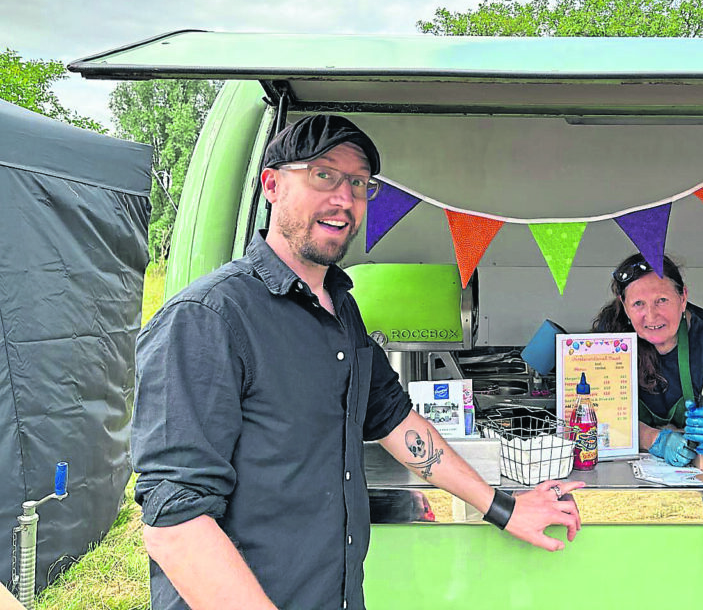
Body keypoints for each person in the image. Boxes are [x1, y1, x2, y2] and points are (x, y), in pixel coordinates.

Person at [131, 114, 584, 610]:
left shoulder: (341, 308)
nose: (344, 199)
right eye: (324, 175)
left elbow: (392, 416)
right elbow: (175, 521)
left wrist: (504, 508)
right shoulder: (207, 318)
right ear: (272, 185)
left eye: (359, 184)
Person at [592, 253, 703, 466]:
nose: (651, 316)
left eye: (661, 300)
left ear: (683, 297)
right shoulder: (609, 339)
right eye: (638, 303)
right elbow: (599, 417)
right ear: (624, 306)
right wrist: (654, 439)